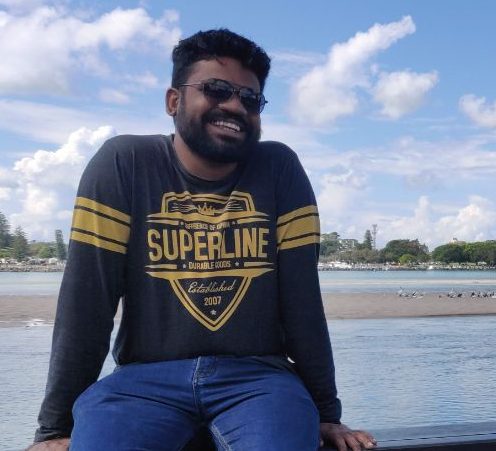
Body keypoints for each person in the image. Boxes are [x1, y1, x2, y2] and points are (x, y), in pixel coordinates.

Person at [29, 29, 376, 451]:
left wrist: (326, 413)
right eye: (216, 90)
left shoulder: (278, 169)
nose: (234, 105)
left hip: (260, 381)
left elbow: (302, 301)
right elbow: (87, 302)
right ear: (174, 101)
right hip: (142, 382)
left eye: (250, 99)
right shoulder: (123, 164)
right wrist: (54, 428)